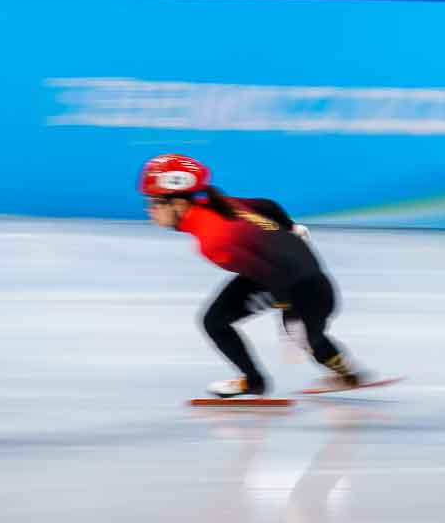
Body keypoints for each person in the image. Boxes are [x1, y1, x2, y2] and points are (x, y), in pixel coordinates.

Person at [140, 153, 374, 397]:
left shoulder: (214, 241)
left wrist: (289, 311)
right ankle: (346, 373)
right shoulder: (218, 203)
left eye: (155, 203)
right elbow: (267, 205)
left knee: (220, 323)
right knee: (301, 334)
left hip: (303, 286)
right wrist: (291, 227)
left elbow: (271, 276)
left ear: (178, 204)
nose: (149, 210)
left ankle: (256, 382)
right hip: (307, 274)